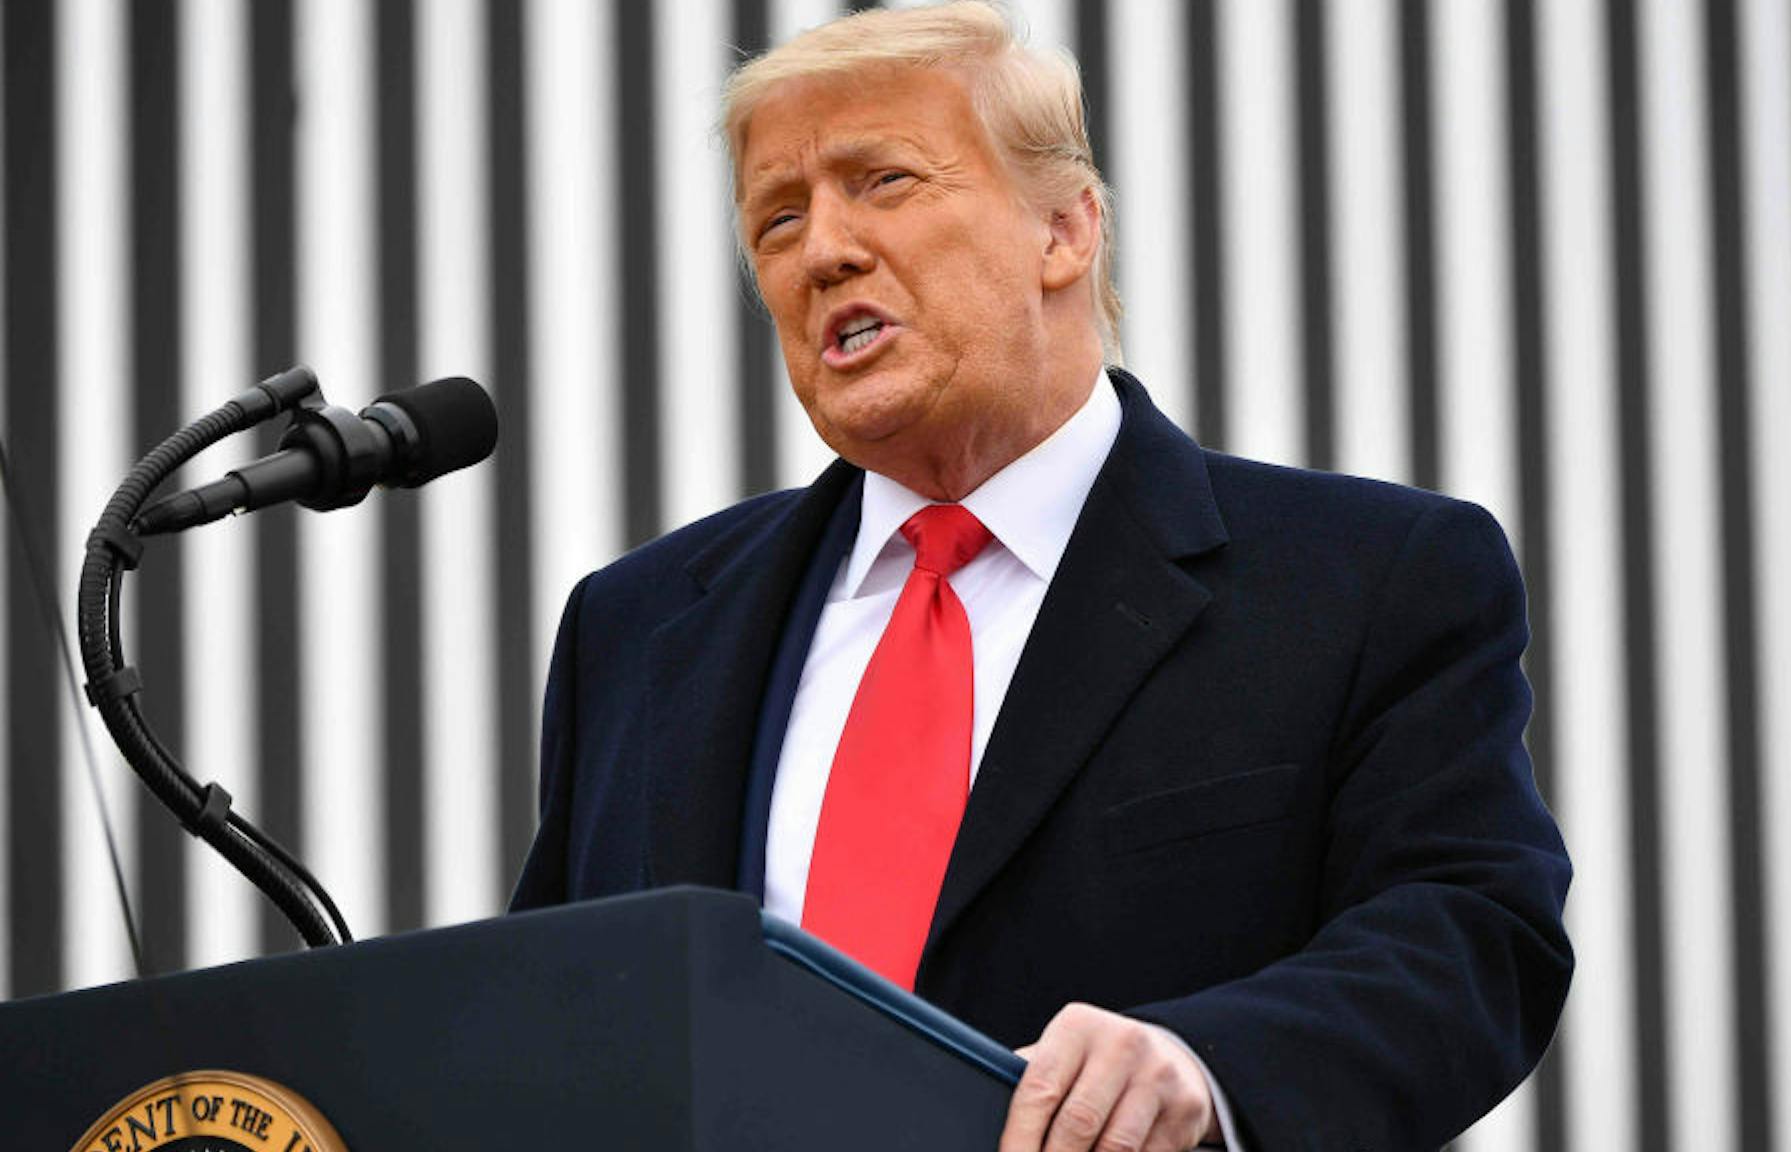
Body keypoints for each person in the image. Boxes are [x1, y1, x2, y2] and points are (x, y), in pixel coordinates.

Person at [509, 4, 1571, 1150]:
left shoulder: (1366, 580)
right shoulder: (636, 626)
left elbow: (1469, 933)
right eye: (776, 217)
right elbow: (547, 1012)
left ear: (1064, 229)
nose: (822, 251)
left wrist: (1206, 1062)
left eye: (884, 182)